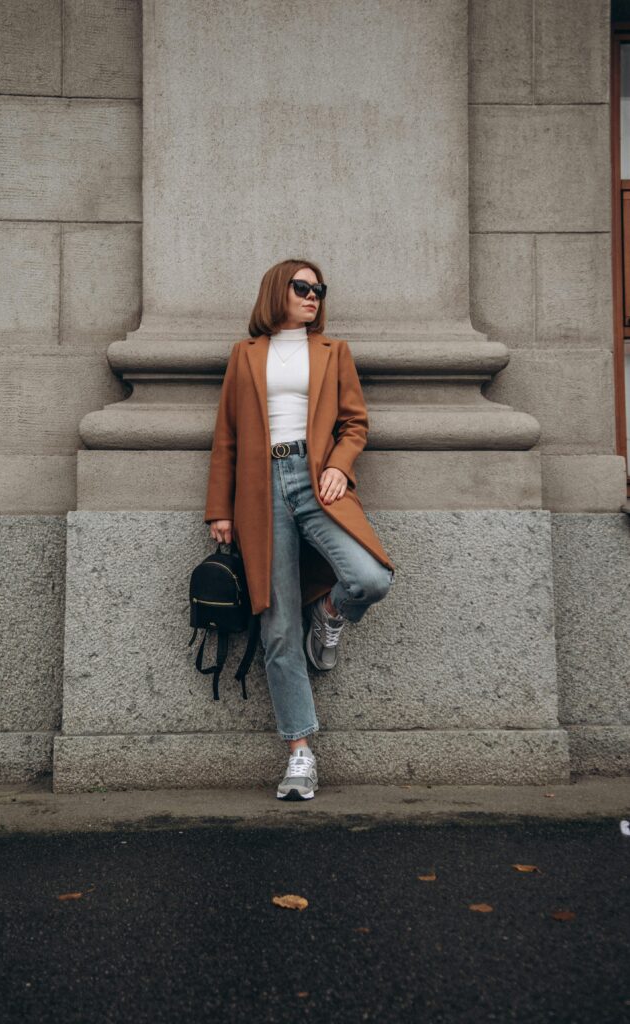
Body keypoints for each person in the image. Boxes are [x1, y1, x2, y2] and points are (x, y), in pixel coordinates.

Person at [205, 259, 394, 801]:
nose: (313, 296)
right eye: (302, 287)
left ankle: (330, 613)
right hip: (259, 489)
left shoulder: (334, 352)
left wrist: (338, 464)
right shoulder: (245, 356)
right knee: (279, 628)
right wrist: (221, 507)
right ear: (277, 291)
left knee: (370, 577)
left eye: (319, 290)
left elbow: (355, 423)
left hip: (316, 481)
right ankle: (300, 753)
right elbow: (226, 437)